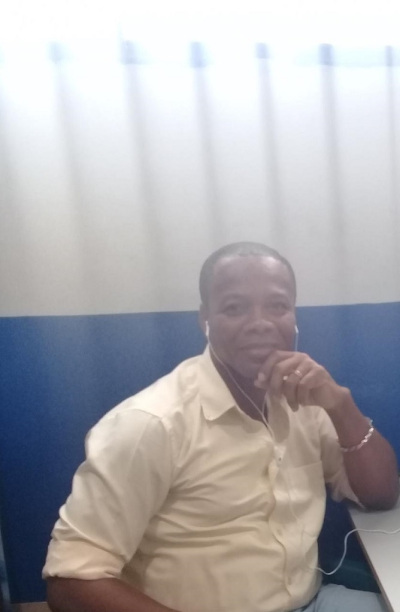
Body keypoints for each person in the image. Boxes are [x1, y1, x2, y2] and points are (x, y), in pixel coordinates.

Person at [44, 241, 399, 612]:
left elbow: (380, 494)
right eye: (234, 308)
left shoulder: (305, 401)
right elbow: (69, 581)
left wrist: (341, 405)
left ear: (294, 316)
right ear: (205, 320)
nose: (260, 323)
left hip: (311, 602)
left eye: (278, 306)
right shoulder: (151, 424)